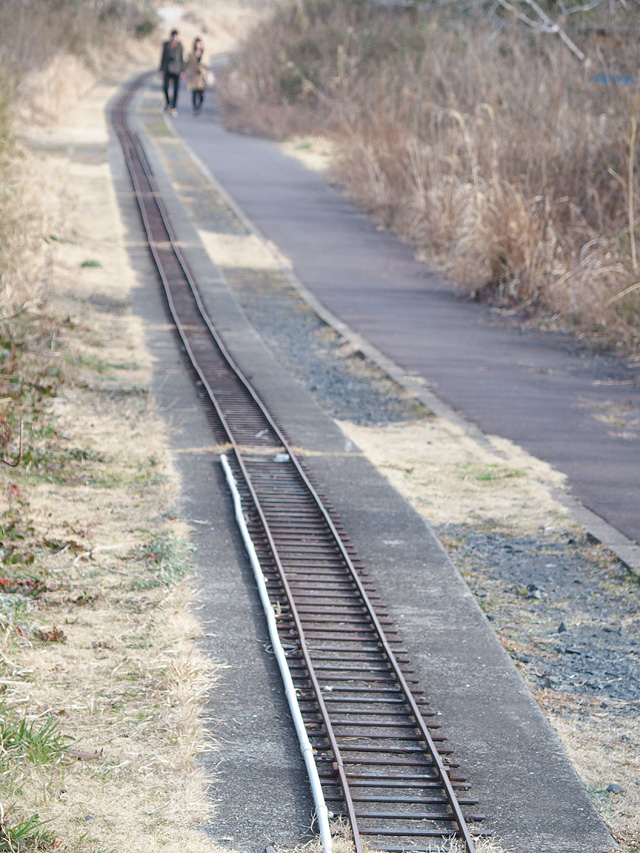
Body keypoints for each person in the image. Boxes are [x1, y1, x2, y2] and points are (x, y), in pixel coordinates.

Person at [159, 29, 184, 114]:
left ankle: (174, 107)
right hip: (167, 69)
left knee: (176, 90)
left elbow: (181, 59)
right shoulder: (166, 45)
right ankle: (167, 102)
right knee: (165, 87)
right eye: (173, 37)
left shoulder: (180, 46)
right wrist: (161, 69)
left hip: (176, 70)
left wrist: (182, 71)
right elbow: (162, 57)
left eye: (176, 37)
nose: (174, 38)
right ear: (171, 37)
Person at [186, 38, 207, 116]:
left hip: (202, 76)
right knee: (194, 93)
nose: (198, 45)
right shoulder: (191, 54)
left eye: (200, 44)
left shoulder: (205, 53)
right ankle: (195, 108)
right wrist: (182, 72)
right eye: (197, 44)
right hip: (194, 76)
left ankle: (199, 107)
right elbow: (187, 64)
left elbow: (208, 64)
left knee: (201, 95)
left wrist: (204, 65)